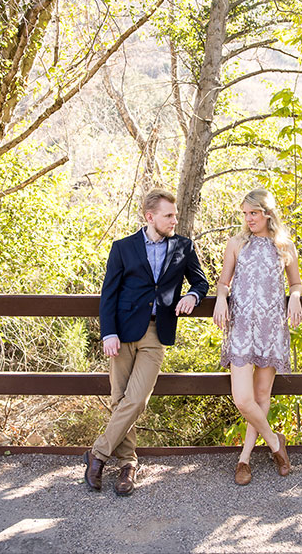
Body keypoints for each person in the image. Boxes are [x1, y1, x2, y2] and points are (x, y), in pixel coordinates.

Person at [84, 188, 209, 496]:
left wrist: (193, 295)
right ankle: (127, 465)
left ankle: (97, 454)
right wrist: (108, 332)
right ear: (150, 217)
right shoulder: (123, 248)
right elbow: (108, 293)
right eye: (169, 215)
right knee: (119, 399)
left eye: (176, 214)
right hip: (123, 332)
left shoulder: (183, 246)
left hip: (157, 332)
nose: (174, 219)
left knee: (136, 400)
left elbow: (200, 280)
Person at [213, 188, 302, 485]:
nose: (249, 219)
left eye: (254, 213)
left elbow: (295, 283)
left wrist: (295, 297)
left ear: (267, 213)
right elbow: (224, 281)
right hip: (241, 328)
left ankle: (245, 459)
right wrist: (220, 298)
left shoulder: (284, 245)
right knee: (243, 399)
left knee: (262, 396)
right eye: (245, 213)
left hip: (271, 328)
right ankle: (276, 443)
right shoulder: (237, 243)